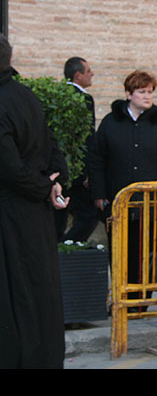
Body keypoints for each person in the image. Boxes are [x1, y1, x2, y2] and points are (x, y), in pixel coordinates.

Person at [0, 35, 70, 368]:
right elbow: (51, 147)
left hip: (12, 213)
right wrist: (53, 182)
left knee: (18, 296)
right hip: (35, 212)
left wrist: (45, 186)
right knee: (38, 289)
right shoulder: (25, 94)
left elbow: (9, 167)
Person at [88, 70, 157, 309]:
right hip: (119, 200)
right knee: (118, 252)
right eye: (141, 92)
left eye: (150, 92)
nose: (147, 97)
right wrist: (99, 194)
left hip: (153, 203)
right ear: (129, 94)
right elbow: (97, 159)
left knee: (146, 253)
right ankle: (118, 299)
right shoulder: (111, 122)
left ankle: (140, 302)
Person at [55, 56, 100, 242]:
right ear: (77, 75)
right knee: (88, 216)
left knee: (60, 215)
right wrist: (88, 172)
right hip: (76, 171)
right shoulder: (84, 99)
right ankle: (66, 250)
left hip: (57, 169)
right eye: (88, 71)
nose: (92, 74)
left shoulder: (57, 95)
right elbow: (87, 138)